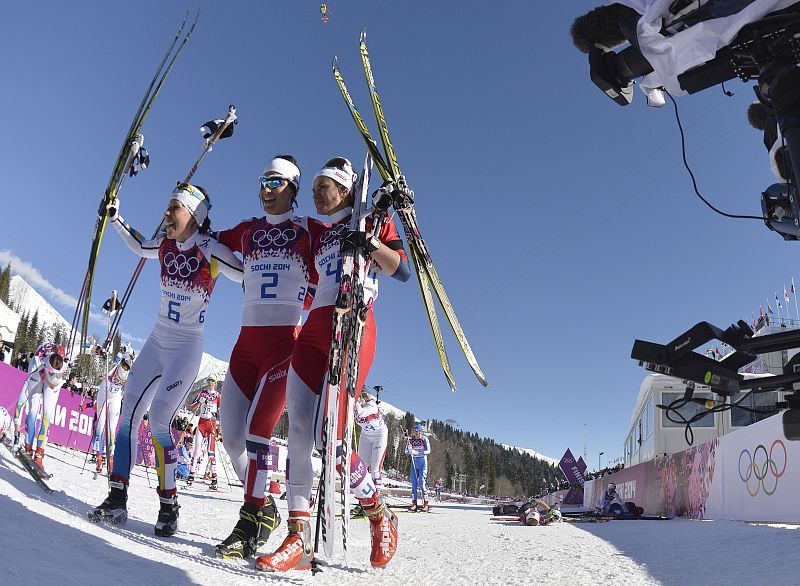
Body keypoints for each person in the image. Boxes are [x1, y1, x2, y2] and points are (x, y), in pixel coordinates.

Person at [256, 157, 411, 572]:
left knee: (334, 440)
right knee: (301, 435)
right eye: (313, 189)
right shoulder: (315, 231)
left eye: (322, 187)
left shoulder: (370, 218)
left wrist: (370, 243)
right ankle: (297, 538)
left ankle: (379, 513)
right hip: (314, 327)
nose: (315, 195)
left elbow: (402, 270)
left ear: (344, 189)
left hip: (354, 323)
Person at [88, 183, 243, 537]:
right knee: (127, 413)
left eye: (174, 207)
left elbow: (248, 272)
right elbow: (140, 244)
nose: (166, 213)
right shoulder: (166, 244)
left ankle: (169, 504)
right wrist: (114, 217)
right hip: (157, 341)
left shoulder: (210, 250)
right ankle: (116, 498)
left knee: (159, 421)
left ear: (195, 215)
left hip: (186, 349)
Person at [213, 155, 316, 561]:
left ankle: (250, 520)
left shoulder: (307, 229)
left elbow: (329, 266)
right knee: (231, 437)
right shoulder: (247, 230)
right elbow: (206, 238)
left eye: (276, 182)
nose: (267, 188)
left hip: (282, 345)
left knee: (257, 434)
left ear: (292, 188)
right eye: (263, 180)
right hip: (245, 343)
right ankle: (266, 505)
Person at [22, 348, 68, 477]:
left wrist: (100, 349)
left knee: (47, 417)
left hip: (50, 381)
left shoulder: (64, 363)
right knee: (32, 412)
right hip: (39, 377)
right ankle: (28, 450)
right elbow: (23, 397)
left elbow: (87, 348)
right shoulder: (38, 367)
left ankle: (39, 457)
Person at [90, 353, 131, 478]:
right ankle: (98, 459)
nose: (125, 369)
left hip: (116, 398)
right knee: (99, 429)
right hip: (104, 396)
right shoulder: (114, 367)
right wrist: (118, 357)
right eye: (123, 367)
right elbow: (112, 361)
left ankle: (111, 461)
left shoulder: (128, 372)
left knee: (111, 430)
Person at [350, 391, 388, 517]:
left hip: (380, 436)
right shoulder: (356, 404)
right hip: (366, 436)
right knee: (362, 468)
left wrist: (353, 399)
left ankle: (376, 501)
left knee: (375, 469)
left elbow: (360, 413)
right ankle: (363, 501)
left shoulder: (371, 405)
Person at [12, 342, 55, 447]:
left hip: (38, 383)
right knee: (22, 408)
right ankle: (18, 436)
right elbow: (40, 373)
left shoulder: (47, 361)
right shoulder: (39, 361)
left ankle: (29, 444)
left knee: (35, 415)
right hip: (31, 382)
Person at [187, 377, 221, 490]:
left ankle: (214, 478)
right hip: (201, 424)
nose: (211, 383)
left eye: (213, 381)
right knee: (197, 450)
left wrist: (215, 414)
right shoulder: (202, 393)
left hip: (211, 425)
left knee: (210, 452)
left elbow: (221, 410)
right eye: (209, 381)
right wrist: (198, 401)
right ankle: (191, 474)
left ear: (215, 384)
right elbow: (191, 407)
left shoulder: (218, 396)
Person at [406, 423, 431, 512]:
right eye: (415, 431)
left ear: (421, 431)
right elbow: (406, 451)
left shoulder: (424, 439)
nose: (416, 433)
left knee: (421, 482)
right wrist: (409, 450)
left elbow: (428, 451)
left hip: (422, 463)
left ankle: (426, 503)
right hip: (414, 463)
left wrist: (419, 452)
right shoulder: (410, 440)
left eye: (418, 431)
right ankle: (414, 503)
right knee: (414, 484)